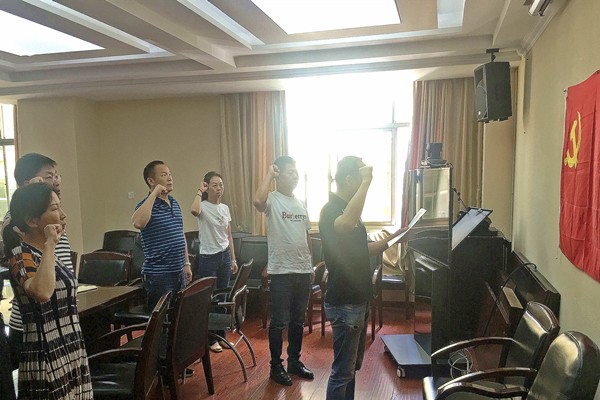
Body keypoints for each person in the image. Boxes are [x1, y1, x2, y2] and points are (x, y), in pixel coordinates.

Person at [319, 156, 409, 400]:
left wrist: (395, 237)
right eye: (360, 178)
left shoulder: (350, 213)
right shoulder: (331, 210)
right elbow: (345, 225)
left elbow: (366, 249)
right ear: (350, 179)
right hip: (344, 301)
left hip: (358, 299)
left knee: (351, 369)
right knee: (342, 372)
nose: (364, 184)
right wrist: (366, 182)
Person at [3, 182, 93, 399]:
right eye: (54, 208)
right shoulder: (21, 254)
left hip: (70, 346)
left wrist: (49, 247)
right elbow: (42, 292)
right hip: (46, 353)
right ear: (32, 221)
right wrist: (51, 244)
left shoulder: (45, 253)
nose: (62, 214)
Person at [0, 153, 74, 371]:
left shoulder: (52, 221)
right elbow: (9, 238)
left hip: (61, 322)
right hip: (33, 328)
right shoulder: (19, 222)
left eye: (57, 175)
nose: (56, 181)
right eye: (48, 176)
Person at [253, 156, 314, 386]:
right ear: (279, 175)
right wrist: (269, 174)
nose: (295, 175)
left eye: (296, 172)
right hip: (281, 272)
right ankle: (275, 366)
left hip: (302, 270)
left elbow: (306, 236)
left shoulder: (301, 203)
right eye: (290, 172)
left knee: (298, 320)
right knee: (279, 321)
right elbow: (257, 201)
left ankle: (294, 362)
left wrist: (309, 264)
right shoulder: (272, 199)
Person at [132, 160, 192, 312]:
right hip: (158, 275)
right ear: (151, 181)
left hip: (178, 272)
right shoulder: (145, 205)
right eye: (164, 175)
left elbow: (180, 234)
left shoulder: (174, 203)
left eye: (170, 174)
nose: (170, 178)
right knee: (160, 321)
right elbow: (138, 223)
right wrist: (154, 194)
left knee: (177, 317)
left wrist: (186, 263)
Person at [190, 170, 238, 352]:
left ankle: (221, 335)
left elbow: (229, 235)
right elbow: (194, 210)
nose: (219, 188)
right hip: (208, 257)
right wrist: (199, 191)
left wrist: (233, 258)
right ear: (207, 187)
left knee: (223, 297)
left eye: (221, 185)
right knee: (209, 298)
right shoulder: (202, 206)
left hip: (224, 256)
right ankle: (210, 339)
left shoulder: (224, 208)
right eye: (215, 185)